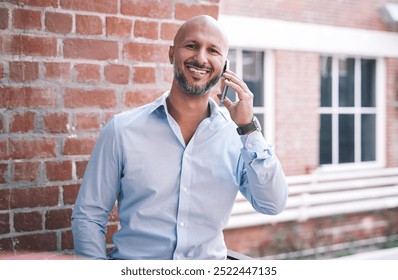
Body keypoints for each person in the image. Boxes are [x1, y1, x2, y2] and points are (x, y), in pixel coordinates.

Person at [72, 15, 288, 260]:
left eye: (213, 50)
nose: (201, 58)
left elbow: (272, 204)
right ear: (172, 54)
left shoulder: (238, 138)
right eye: (192, 46)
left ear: (225, 66)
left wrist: (249, 129)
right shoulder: (121, 130)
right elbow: (88, 216)